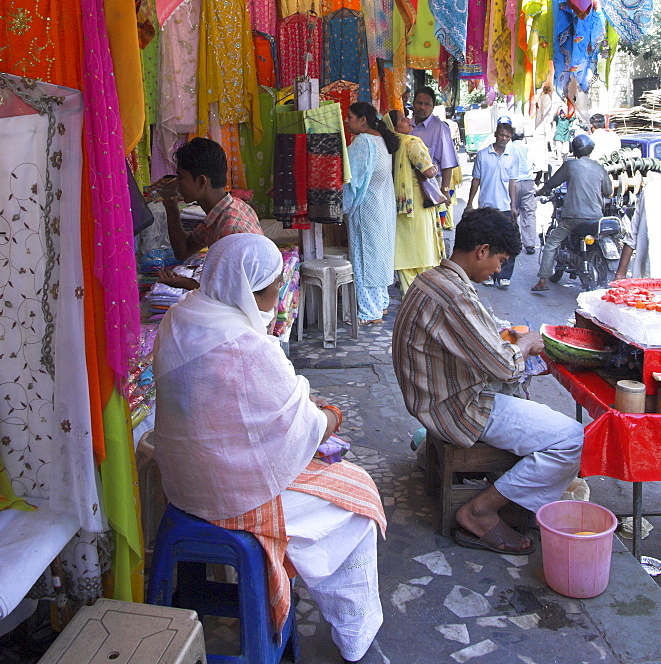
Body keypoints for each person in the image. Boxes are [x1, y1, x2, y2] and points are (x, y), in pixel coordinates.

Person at [153, 234, 386, 661]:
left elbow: (236, 412)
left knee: (336, 485)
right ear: (250, 288)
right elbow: (301, 426)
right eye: (275, 286)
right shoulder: (248, 347)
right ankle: (356, 639)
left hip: (181, 483)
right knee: (359, 501)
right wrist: (328, 417)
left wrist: (303, 412)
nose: (279, 296)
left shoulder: (180, 318)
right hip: (227, 496)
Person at [392, 209, 584, 555]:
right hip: (456, 408)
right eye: (499, 260)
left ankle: (508, 487)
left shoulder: (432, 279)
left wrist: (509, 337)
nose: (498, 269)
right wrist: (524, 344)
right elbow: (504, 365)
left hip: (432, 396)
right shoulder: (456, 296)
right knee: (571, 439)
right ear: (481, 251)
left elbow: (479, 340)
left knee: (534, 404)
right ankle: (480, 511)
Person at [156, 137, 263, 289]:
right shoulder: (226, 210)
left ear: (201, 181)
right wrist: (171, 206)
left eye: (181, 177)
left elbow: (231, 295)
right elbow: (183, 251)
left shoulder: (229, 229)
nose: (177, 183)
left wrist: (188, 284)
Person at [531, 133, 613, 292]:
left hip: (573, 217)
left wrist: (542, 191)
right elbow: (608, 192)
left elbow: (552, 182)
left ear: (574, 150)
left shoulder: (570, 165)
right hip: (596, 217)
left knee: (552, 242)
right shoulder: (599, 167)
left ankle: (542, 281)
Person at [344, 102, 398, 324]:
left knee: (365, 259)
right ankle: (380, 304)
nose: (347, 121)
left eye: (349, 117)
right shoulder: (380, 140)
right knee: (378, 257)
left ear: (362, 120)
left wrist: (342, 207)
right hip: (382, 206)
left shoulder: (363, 142)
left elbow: (351, 180)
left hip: (367, 208)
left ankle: (369, 312)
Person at [384, 108, 443, 293]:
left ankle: (408, 294)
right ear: (394, 126)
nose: (408, 120)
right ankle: (424, 296)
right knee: (423, 249)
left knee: (404, 252)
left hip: (399, 205)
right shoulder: (412, 143)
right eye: (403, 119)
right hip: (417, 205)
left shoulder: (390, 145)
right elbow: (429, 171)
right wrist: (432, 164)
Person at [465, 117, 519, 287]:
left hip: (504, 207)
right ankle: (487, 274)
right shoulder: (482, 155)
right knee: (486, 243)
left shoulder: (512, 156)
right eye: (502, 135)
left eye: (507, 137)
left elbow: (512, 183)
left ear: (510, 138)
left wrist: (513, 205)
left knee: (507, 243)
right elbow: (476, 180)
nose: (504, 138)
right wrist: (469, 203)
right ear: (496, 135)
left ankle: (504, 276)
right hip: (486, 206)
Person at [411, 86, 459, 200]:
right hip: (407, 183)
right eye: (419, 103)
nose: (422, 107)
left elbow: (447, 162)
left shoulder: (440, 129)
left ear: (433, 107)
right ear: (413, 103)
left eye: (427, 104)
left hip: (431, 184)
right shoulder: (405, 125)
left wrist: (445, 189)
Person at [614, 173, 661, 279]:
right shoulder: (651, 191)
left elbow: (632, 236)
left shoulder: (651, 190)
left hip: (650, 276)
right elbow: (632, 236)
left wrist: (620, 274)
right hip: (651, 278)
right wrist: (620, 274)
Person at [511, 129, 537, 255]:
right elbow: (536, 166)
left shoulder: (508, 148)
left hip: (513, 183)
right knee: (529, 213)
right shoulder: (528, 148)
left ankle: (513, 241)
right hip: (528, 182)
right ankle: (530, 244)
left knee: (512, 212)